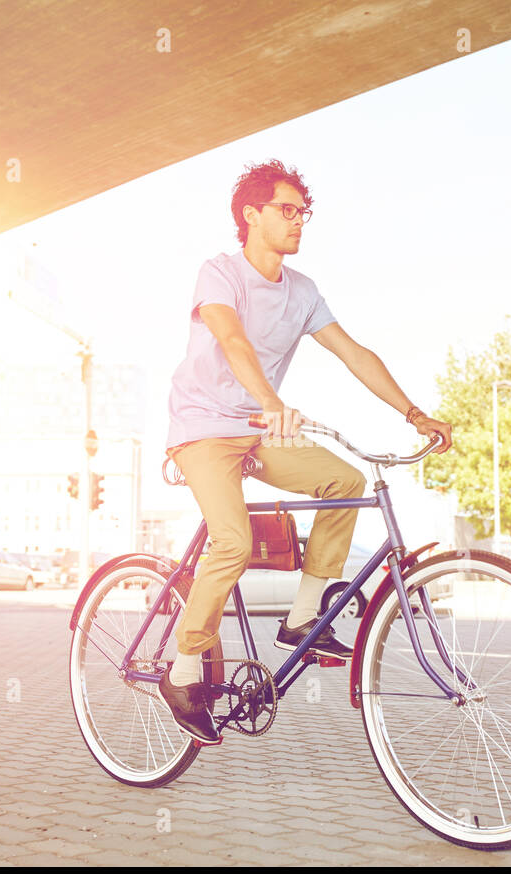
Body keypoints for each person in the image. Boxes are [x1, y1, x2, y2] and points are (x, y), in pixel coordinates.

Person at [158, 159, 454, 744]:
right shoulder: (220, 273)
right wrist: (271, 401)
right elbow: (233, 339)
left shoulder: (303, 291)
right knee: (234, 542)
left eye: (304, 212)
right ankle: (184, 669)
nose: (299, 222)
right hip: (202, 428)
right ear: (251, 215)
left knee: (345, 483)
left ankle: (302, 620)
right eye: (287, 210)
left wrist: (415, 413)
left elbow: (355, 353)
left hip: (259, 426)